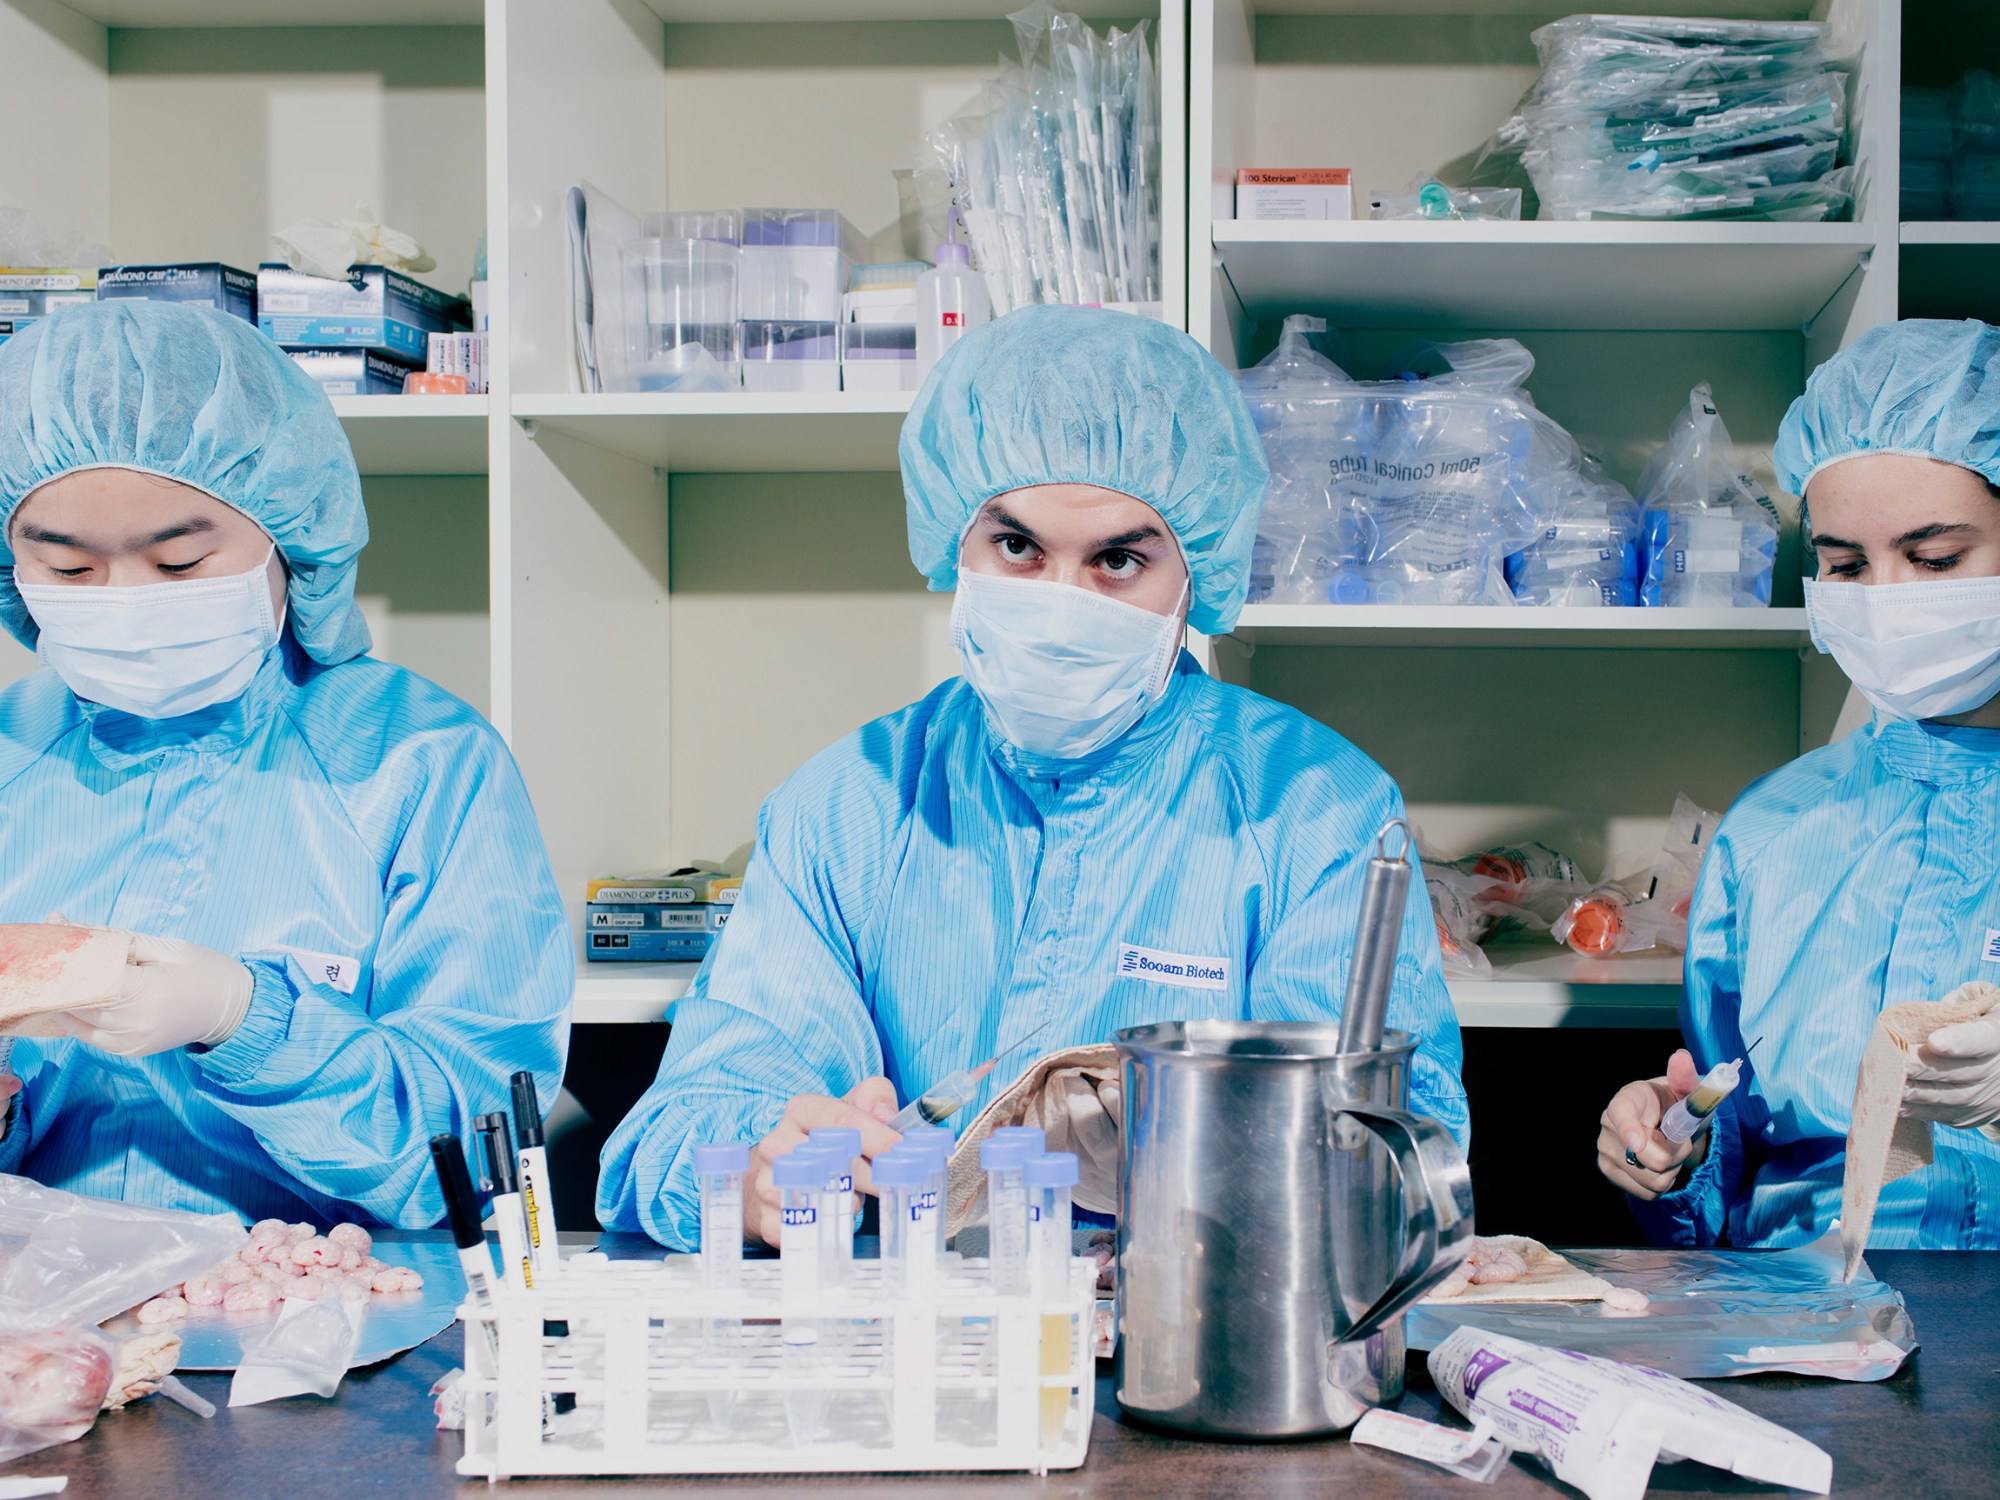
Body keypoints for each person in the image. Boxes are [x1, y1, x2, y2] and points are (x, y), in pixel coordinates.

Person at [600, 305, 1468, 1249]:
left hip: (1195, 1322)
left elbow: (1393, 1155)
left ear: (1196, 575)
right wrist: (753, 1173)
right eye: (1017, 548)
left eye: (1118, 560)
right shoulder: (848, 806)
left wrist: (1200, 1160)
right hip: (914, 1321)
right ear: (955, 545)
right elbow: (700, 1105)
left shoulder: (1315, 811)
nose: (1060, 608)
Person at [0, 300, 572, 1225]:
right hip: (43, 1300)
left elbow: (474, 1152)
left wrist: (245, 1019)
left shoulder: (418, 763)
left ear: (291, 540)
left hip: (332, 1294)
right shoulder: (13, 756)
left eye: (179, 564)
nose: (125, 603)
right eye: (69, 572)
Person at [1598, 318, 2000, 1249]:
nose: (1886, 600)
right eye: (1845, 565)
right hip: (1803, 1306)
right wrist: (1676, 1147)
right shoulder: (1775, 830)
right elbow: (1730, 1142)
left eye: (1936, 559)